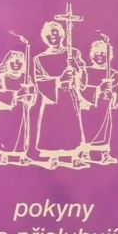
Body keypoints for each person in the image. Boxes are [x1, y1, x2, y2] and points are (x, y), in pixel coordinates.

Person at [32, 20, 88, 169]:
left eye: (55, 33)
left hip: (69, 95)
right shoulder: (39, 59)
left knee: (71, 125)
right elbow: (40, 81)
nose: (53, 37)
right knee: (52, 125)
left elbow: (83, 76)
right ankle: (53, 157)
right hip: (52, 98)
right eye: (49, 35)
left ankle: (75, 157)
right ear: (45, 38)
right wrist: (59, 80)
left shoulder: (73, 53)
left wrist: (76, 68)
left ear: (62, 35)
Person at [0, 49, 37, 165]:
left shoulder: (26, 78)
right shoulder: (1, 77)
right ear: (7, 63)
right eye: (13, 62)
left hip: (20, 110)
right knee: (4, 132)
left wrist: (29, 94)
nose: (16, 65)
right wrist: (17, 94)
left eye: (19, 62)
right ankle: (4, 155)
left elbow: (32, 94)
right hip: (5, 110)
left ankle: (22, 156)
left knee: (21, 134)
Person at [80, 38, 118, 165]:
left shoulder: (113, 74)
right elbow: (81, 88)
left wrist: (113, 95)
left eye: (103, 54)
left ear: (109, 56)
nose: (100, 56)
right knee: (87, 129)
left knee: (105, 129)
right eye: (97, 53)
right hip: (88, 107)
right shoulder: (86, 71)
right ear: (91, 55)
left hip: (104, 107)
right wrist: (98, 89)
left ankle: (105, 154)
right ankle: (85, 153)